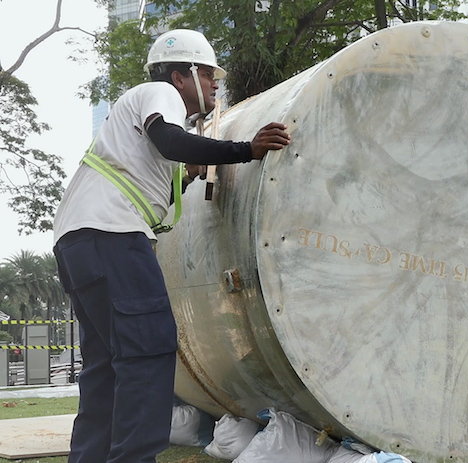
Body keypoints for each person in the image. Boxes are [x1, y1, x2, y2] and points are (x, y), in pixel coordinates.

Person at [52, 29, 291, 463]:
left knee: (106, 367)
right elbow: (169, 139)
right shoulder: (160, 92)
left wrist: (187, 174)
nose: (215, 84)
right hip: (114, 237)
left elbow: (154, 165)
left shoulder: (131, 117)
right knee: (148, 351)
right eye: (208, 76)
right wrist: (246, 149)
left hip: (81, 241)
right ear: (184, 75)